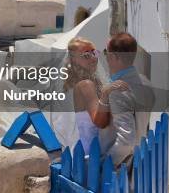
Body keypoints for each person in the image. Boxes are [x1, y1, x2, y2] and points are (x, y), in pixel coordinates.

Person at [63, 37, 128, 153]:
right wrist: (106, 93)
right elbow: (100, 122)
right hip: (90, 153)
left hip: (85, 149)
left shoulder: (76, 84)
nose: (93, 58)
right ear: (74, 60)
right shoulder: (85, 85)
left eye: (94, 53)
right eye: (86, 55)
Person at [99, 33, 154, 168]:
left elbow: (126, 139)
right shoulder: (146, 82)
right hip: (135, 162)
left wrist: (104, 165)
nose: (106, 56)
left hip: (117, 168)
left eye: (106, 52)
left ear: (114, 56)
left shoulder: (117, 90)